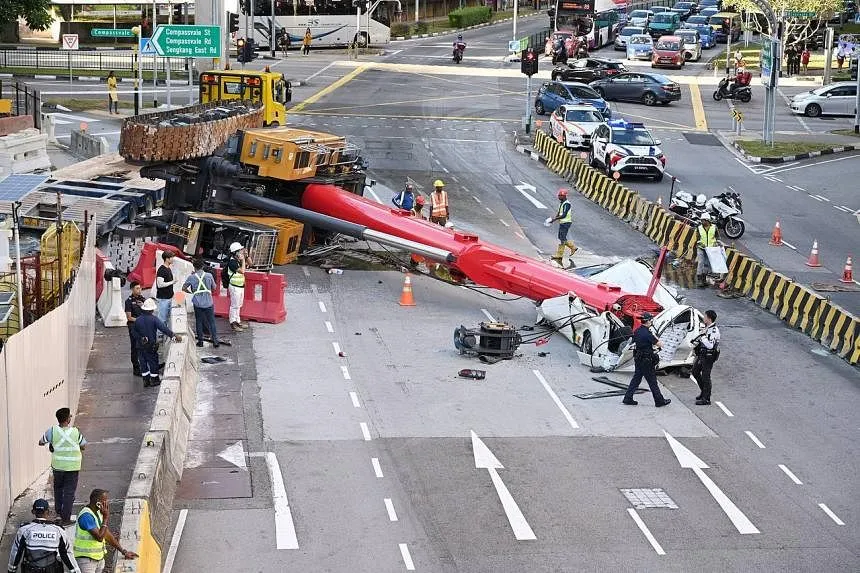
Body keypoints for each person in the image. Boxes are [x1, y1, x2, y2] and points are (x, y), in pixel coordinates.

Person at [38, 408, 86, 527]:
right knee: (69, 493)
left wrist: (51, 444)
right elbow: (83, 445)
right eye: (70, 416)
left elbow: (40, 442)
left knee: (58, 490)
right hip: (72, 468)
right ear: (68, 419)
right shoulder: (75, 432)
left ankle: (59, 514)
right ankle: (66, 519)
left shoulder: (52, 431)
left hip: (58, 467)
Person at [7, 499, 80, 573]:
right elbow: (66, 553)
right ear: (48, 512)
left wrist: (11, 570)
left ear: (33, 512)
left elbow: (16, 552)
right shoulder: (58, 530)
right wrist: (75, 571)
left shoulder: (24, 529)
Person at [73, 489, 137, 573]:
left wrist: (123, 551)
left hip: (98, 559)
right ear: (98, 503)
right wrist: (106, 517)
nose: (107, 503)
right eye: (105, 500)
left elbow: (106, 535)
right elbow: (99, 537)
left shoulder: (98, 513)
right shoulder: (86, 516)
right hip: (86, 561)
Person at [622, 312, 671, 407]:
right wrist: (654, 335)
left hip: (638, 358)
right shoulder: (648, 334)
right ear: (648, 321)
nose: (652, 322)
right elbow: (660, 344)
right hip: (647, 360)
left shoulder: (637, 331)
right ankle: (659, 401)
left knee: (636, 379)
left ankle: (628, 398)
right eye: (651, 320)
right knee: (652, 381)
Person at [132, 298, 182, 387]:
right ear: (151, 310)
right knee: (153, 362)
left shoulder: (138, 320)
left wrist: (140, 339)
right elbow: (164, 329)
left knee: (143, 363)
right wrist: (174, 336)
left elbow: (133, 332)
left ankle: (146, 381)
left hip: (140, 346)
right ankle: (154, 380)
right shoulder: (154, 319)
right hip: (150, 346)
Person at [182, 259, 219, 348]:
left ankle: (200, 341)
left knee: (199, 321)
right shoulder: (209, 275)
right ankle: (215, 341)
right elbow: (214, 287)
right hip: (208, 302)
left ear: (194, 267)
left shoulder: (192, 277)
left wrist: (192, 292)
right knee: (212, 322)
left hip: (197, 303)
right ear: (203, 266)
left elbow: (183, 288)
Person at [692, 309, 721, 406]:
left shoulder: (713, 330)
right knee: (695, 372)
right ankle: (703, 392)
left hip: (708, 356)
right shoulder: (706, 327)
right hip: (701, 354)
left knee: (706, 377)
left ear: (709, 318)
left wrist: (703, 336)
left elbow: (710, 346)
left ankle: (706, 398)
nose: (703, 318)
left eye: (705, 316)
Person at [548, 188, 578, 267]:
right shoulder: (562, 203)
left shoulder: (567, 204)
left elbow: (564, 215)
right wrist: (554, 219)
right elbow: (559, 212)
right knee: (561, 237)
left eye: (560, 195)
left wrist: (555, 219)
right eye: (558, 195)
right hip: (563, 222)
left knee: (562, 238)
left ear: (564, 196)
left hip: (566, 223)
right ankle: (572, 248)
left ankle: (561, 254)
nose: (558, 197)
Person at [225, 242, 249, 332]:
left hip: (240, 286)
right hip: (235, 287)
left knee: (239, 305)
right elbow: (242, 271)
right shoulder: (232, 263)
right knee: (234, 306)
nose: (241, 253)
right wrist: (243, 260)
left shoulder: (237, 260)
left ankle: (238, 321)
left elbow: (250, 264)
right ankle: (233, 323)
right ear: (235, 252)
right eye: (239, 251)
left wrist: (246, 256)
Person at [124, 281, 145, 377]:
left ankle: (145, 365)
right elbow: (129, 317)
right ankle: (136, 368)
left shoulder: (143, 299)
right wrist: (140, 320)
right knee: (135, 346)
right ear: (132, 289)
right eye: (137, 288)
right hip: (134, 326)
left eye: (140, 288)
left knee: (144, 345)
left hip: (143, 325)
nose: (139, 290)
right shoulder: (128, 301)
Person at [696, 212, 718, 287]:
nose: (702, 222)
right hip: (701, 248)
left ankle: (704, 278)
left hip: (710, 249)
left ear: (707, 220)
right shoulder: (699, 228)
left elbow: (717, 237)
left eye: (703, 220)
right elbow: (697, 239)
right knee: (701, 262)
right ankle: (699, 279)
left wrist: (716, 243)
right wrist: (700, 243)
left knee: (707, 264)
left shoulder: (714, 227)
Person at [154, 251, 175, 327]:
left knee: (166, 318)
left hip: (168, 297)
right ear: (167, 259)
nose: (173, 259)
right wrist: (172, 282)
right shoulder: (162, 270)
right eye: (172, 258)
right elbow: (160, 285)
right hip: (163, 298)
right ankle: (159, 336)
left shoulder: (168, 269)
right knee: (162, 319)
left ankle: (163, 335)